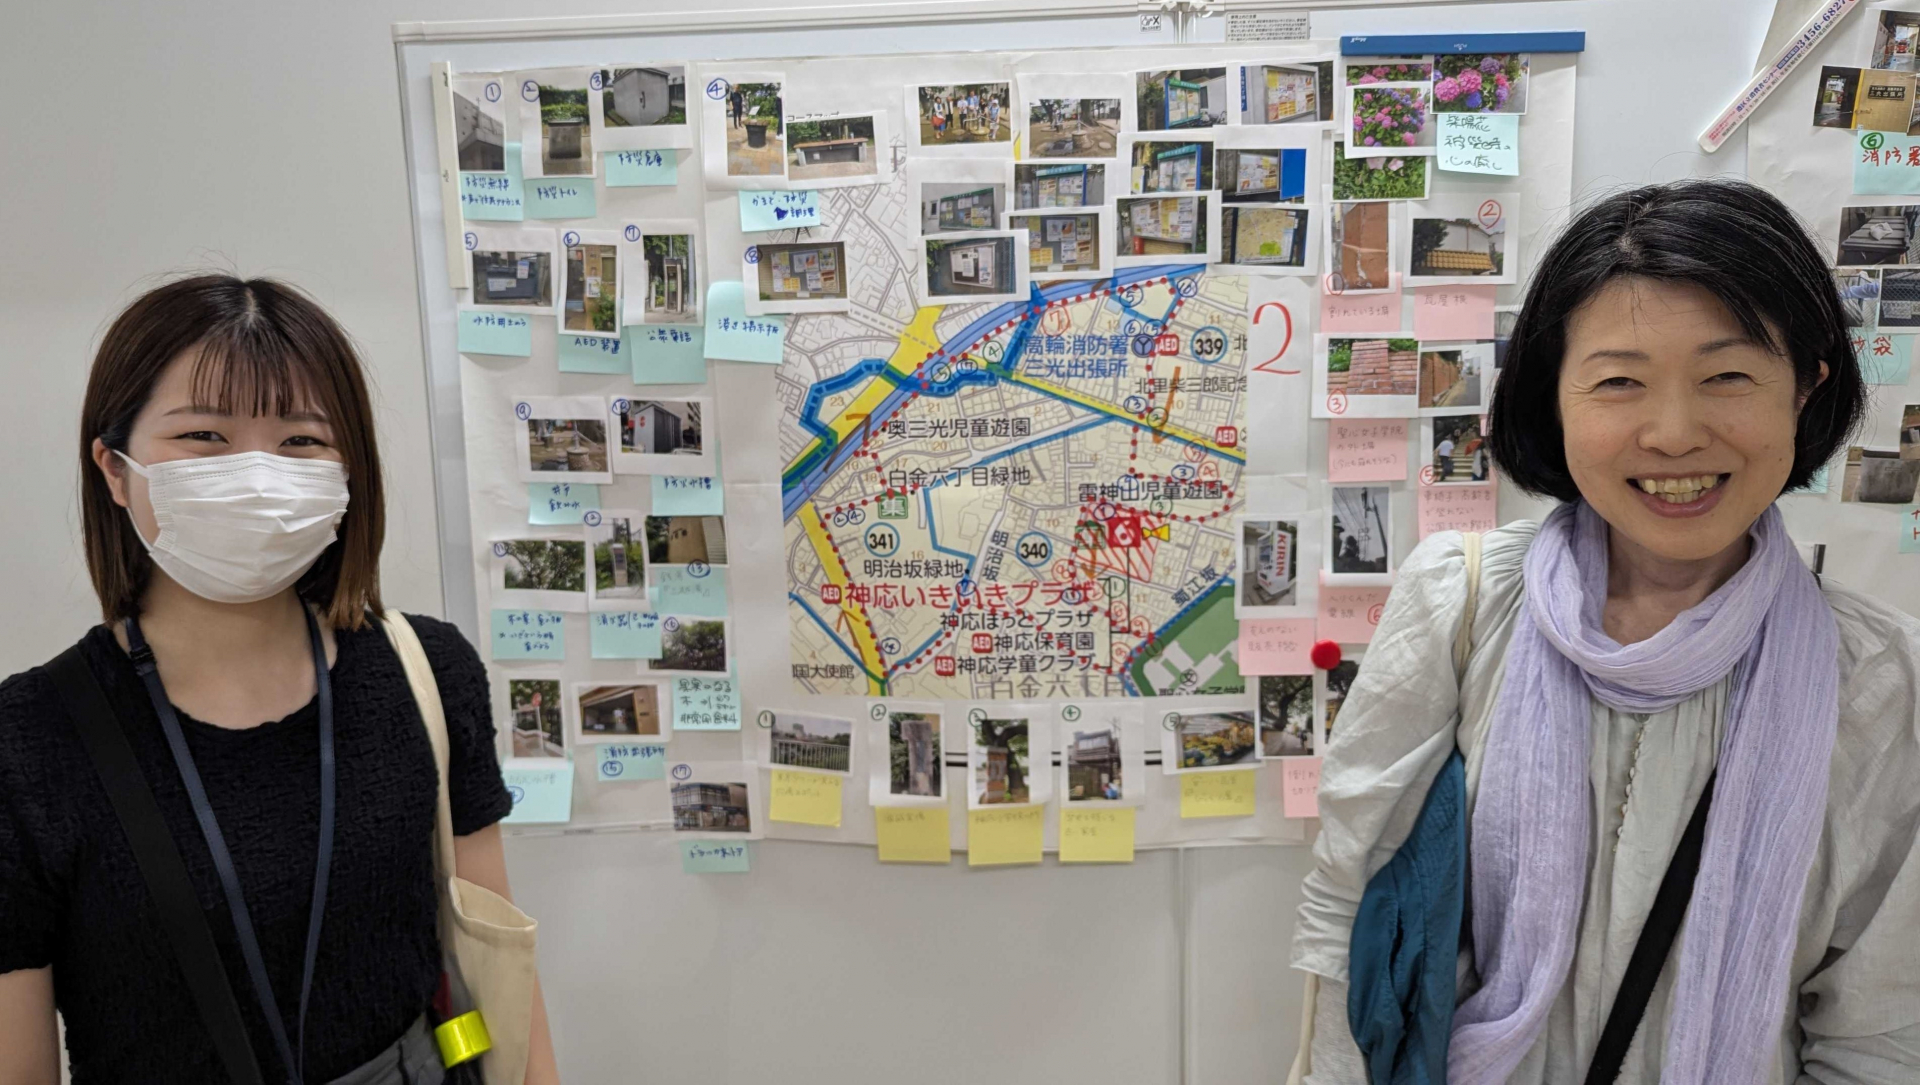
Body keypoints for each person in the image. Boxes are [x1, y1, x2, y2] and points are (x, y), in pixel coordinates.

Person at [1291, 180, 1920, 1083]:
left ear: (1806, 387)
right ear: (1554, 395)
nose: (1673, 434)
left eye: (1728, 376)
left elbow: (1880, 1037)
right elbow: (1352, 912)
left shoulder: (1885, 680)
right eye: (1620, 381)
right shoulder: (1462, 603)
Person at [0, 276, 562, 1084]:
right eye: (203, 435)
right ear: (114, 470)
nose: (258, 475)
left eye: (300, 440)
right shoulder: (28, 738)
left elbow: (501, 966)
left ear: (348, 469)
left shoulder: (428, 672)